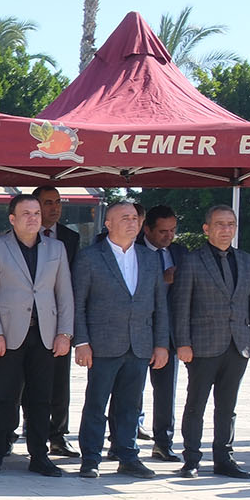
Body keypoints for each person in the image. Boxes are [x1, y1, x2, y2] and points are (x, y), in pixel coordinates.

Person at [71, 201, 168, 480]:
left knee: (130, 406)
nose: (132, 222)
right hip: (102, 344)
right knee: (96, 404)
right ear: (108, 223)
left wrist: (161, 344)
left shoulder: (149, 258)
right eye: (124, 218)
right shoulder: (90, 257)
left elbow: (160, 304)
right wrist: (82, 341)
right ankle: (90, 458)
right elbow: (79, 303)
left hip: (139, 344)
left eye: (135, 218)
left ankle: (127, 455)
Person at [0, 195, 73, 477]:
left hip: (45, 333)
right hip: (7, 335)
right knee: (4, 396)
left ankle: (39, 456)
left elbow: (64, 293)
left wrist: (64, 333)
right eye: (26, 213)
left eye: (36, 213)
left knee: (41, 398)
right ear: (12, 219)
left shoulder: (56, 248)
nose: (33, 218)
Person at [171, 205, 250, 479]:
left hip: (238, 345)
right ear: (206, 229)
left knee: (228, 406)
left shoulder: (247, 261)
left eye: (231, 224)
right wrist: (182, 343)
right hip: (202, 344)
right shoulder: (192, 261)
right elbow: (181, 305)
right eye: (220, 224)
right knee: (196, 404)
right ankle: (191, 458)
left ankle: (224, 458)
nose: (226, 230)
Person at [36, 185, 82, 456]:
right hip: (28, 319)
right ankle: (30, 428)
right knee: (26, 381)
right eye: (47, 202)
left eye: (57, 202)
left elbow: (71, 283)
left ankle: (58, 434)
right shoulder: (18, 237)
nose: (54, 208)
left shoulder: (70, 238)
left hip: (58, 319)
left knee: (60, 382)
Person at [139, 205, 180, 460]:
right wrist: (162, 279)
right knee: (128, 389)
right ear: (147, 230)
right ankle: (122, 440)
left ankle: (163, 442)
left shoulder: (180, 253)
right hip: (137, 330)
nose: (168, 236)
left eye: (173, 230)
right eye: (163, 231)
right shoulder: (132, 251)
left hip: (169, 334)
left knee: (166, 391)